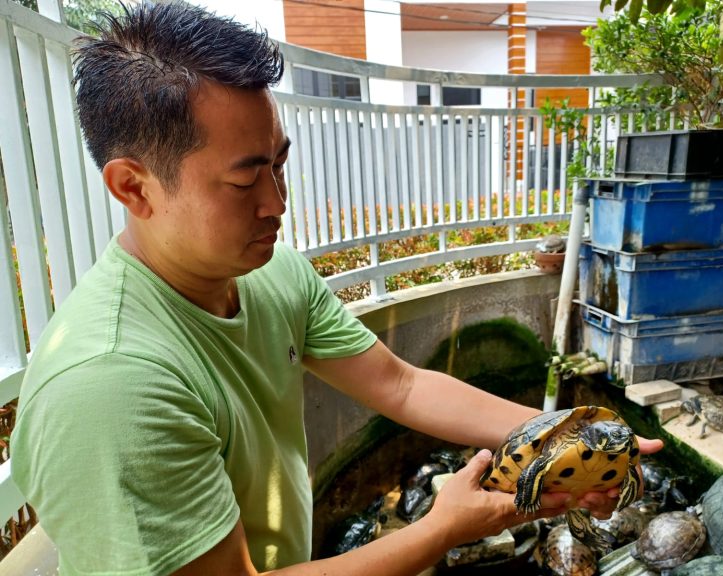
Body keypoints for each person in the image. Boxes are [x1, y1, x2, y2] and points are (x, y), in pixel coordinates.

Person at [10, 2, 663, 575]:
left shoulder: (268, 272)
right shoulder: (112, 389)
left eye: (280, 163)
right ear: (134, 187)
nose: (277, 202)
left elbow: (398, 384)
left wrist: (563, 436)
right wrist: (440, 531)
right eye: (245, 181)